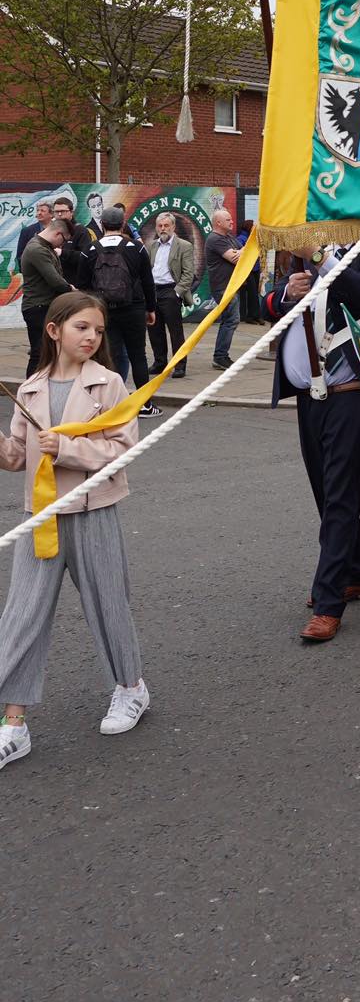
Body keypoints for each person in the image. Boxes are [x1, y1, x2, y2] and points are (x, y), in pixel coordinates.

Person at [0, 290, 150, 774]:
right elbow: (17, 459)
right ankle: (14, 724)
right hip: (40, 516)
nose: (91, 337)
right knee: (22, 614)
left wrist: (67, 449)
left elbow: (122, 451)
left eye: (98, 330)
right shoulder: (30, 388)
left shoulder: (108, 385)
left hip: (92, 512)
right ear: (54, 330)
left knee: (108, 603)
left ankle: (130, 688)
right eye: (81, 327)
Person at [269, 240, 360, 642]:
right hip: (309, 395)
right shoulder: (308, 248)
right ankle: (357, 572)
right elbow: (270, 306)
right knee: (325, 491)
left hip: (350, 392)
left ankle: (329, 601)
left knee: (341, 494)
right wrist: (284, 295)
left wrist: (318, 255)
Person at [87, 206, 159, 417]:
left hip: (104, 311)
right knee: (138, 356)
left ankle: (112, 405)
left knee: (110, 357)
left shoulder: (91, 249)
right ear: (122, 224)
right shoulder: (136, 248)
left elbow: (83, 284)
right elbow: (148, 281)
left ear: (102, 225)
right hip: (134, 308)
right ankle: (144, 405)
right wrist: (151, 308)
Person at [147, 213, 196, 380]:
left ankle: (179, 365)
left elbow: (188, 274)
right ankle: (160, 362)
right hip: (154, 291)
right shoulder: (152, 246)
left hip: (171, 292)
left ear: (173, 227)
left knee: (176, 332)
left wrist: (176, 293)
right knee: (154, 330)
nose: (163, 229)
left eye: (166, 226)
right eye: (160, 226)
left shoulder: (184, 246)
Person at [19, 220, 69, 374]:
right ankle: (29, 394)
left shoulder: (44, 247)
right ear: (58, 233)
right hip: (37, 308)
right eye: (63, 240)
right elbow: (55, 281)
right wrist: (71, 289)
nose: (62, 245)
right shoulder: (37, 249)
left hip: (44, 307)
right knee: (39, 353)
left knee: (47, 353)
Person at [205, 209, 242, 369]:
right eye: (228, 219)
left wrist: (242, 252)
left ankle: (221, 355)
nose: (232, 221)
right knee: (231, 319)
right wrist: (243, 252)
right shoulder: (215, 239)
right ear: (218, 222)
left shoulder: (228, 238)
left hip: (230, 286)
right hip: (223, 287)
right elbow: (234, 258)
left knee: (229, 319)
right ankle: (220, 356)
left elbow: (241, 251)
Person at [51, 197, 95, 289]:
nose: (59, 214)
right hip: (55, 285)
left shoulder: (80, 231)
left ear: (71, 212)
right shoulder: (51, 231)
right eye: (56, 211)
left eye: (63, 211)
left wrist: (63, 253)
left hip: (75, 285)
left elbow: (86, 256)